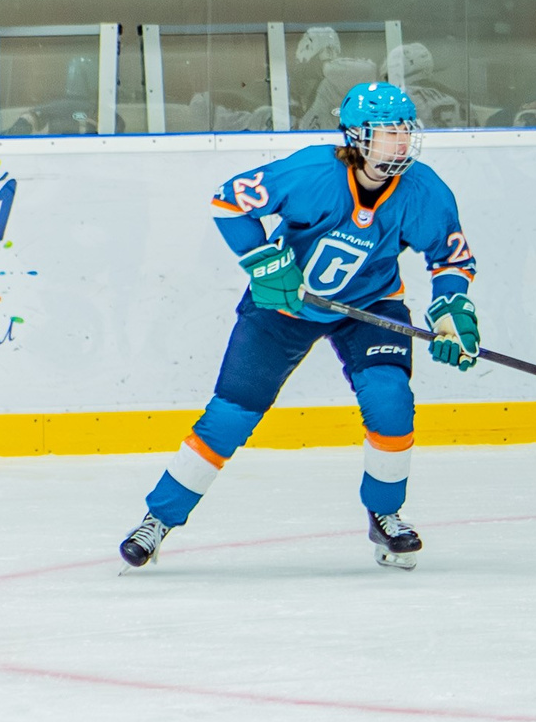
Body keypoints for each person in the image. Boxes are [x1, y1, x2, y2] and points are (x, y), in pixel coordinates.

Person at [118, 83, 481, 572]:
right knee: (230, 416)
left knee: (392, 403)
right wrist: (265, 263)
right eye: (388, 132)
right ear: (358, 137)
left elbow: (451, 258)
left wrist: (450, 308)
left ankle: (385, 515)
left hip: (371, 306)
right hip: (284, 306)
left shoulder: (424, 190)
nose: (401, 142)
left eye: (405, 131)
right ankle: (158, 520)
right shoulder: (311, 172)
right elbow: (228, 202)